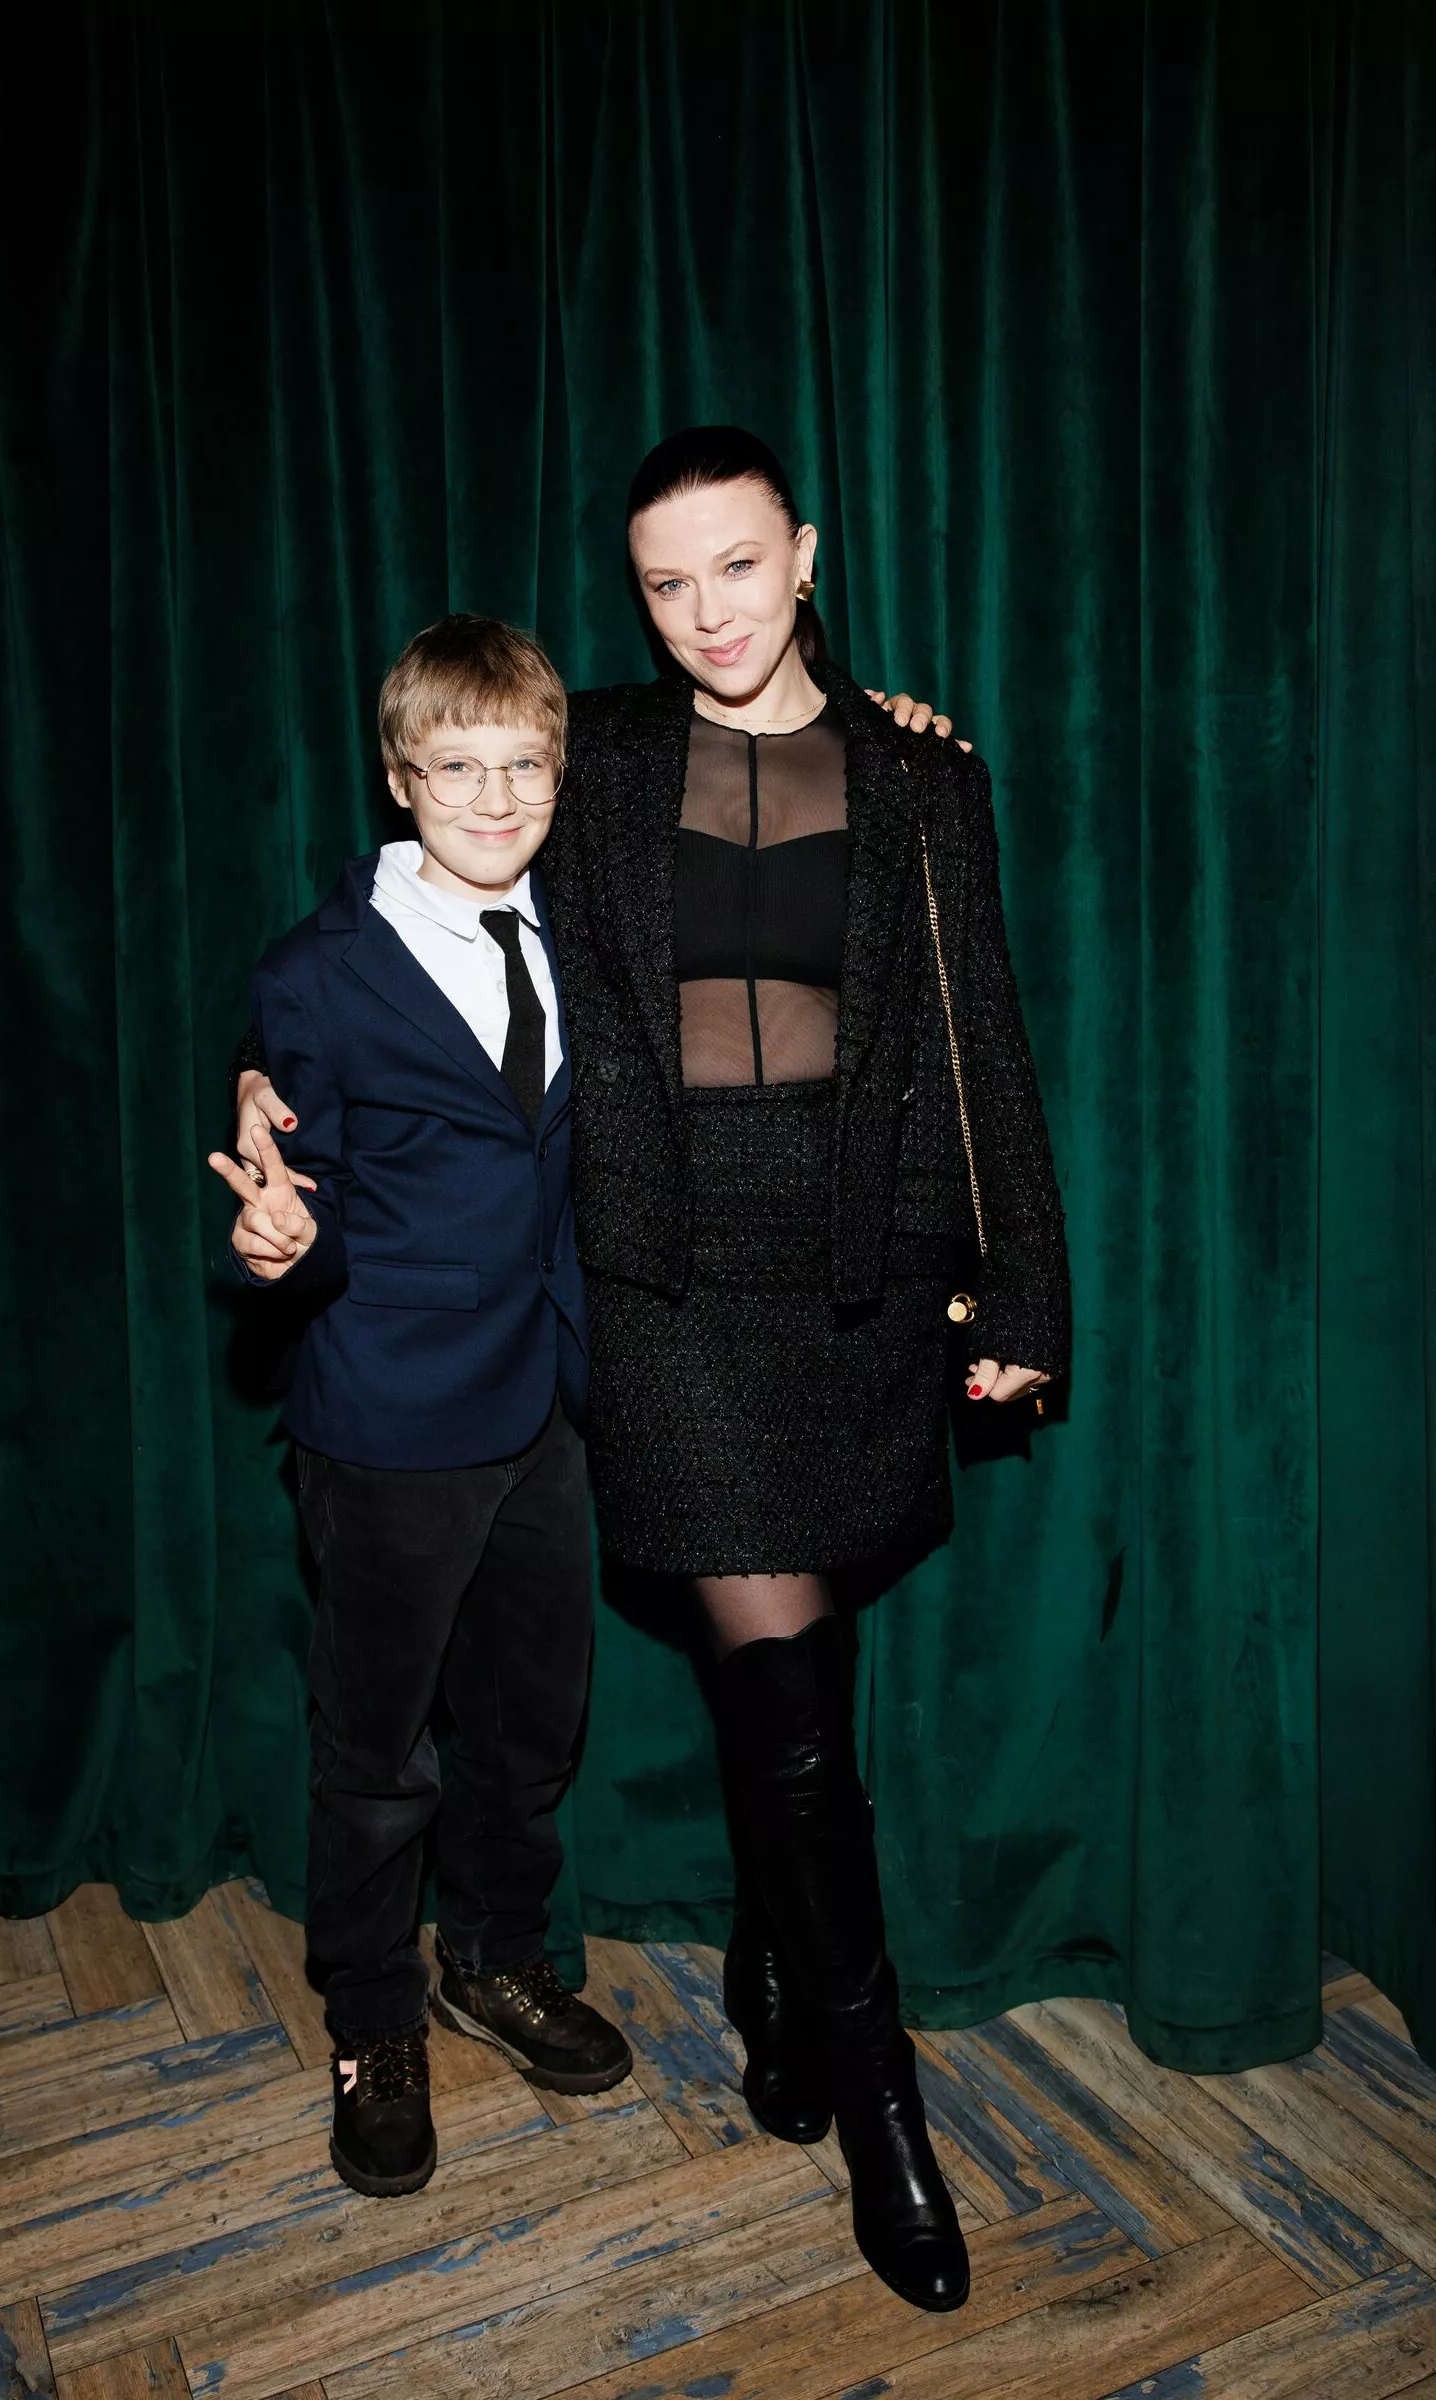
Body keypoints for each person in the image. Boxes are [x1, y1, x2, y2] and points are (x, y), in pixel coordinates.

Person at [237, 431, 1068, 2314]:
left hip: (856, 1286)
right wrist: (270, 1102)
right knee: (781, 1685)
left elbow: (981, 1036)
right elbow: (438, 827)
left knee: (804, 1680)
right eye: (667, 585)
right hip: (668, 1294)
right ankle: (884, 2104)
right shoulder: (597, 754)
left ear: (806, 555)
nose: (708, 614)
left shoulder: (921, 771)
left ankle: (773, 1967)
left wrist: (1026, 1286)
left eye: (739, 568)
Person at [210, 614, 631, 2202]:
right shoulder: (316, 974)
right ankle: (374, 2020)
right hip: (388, 1415)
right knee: (379, 1750)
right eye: (459, 768)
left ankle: (496, 1959)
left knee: (526, 1725)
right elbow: (294, 1167)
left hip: (547, 1404)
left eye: (526, 765)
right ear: (399, 778)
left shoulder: (583, 927)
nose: (496, 798)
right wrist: (280, 1239)